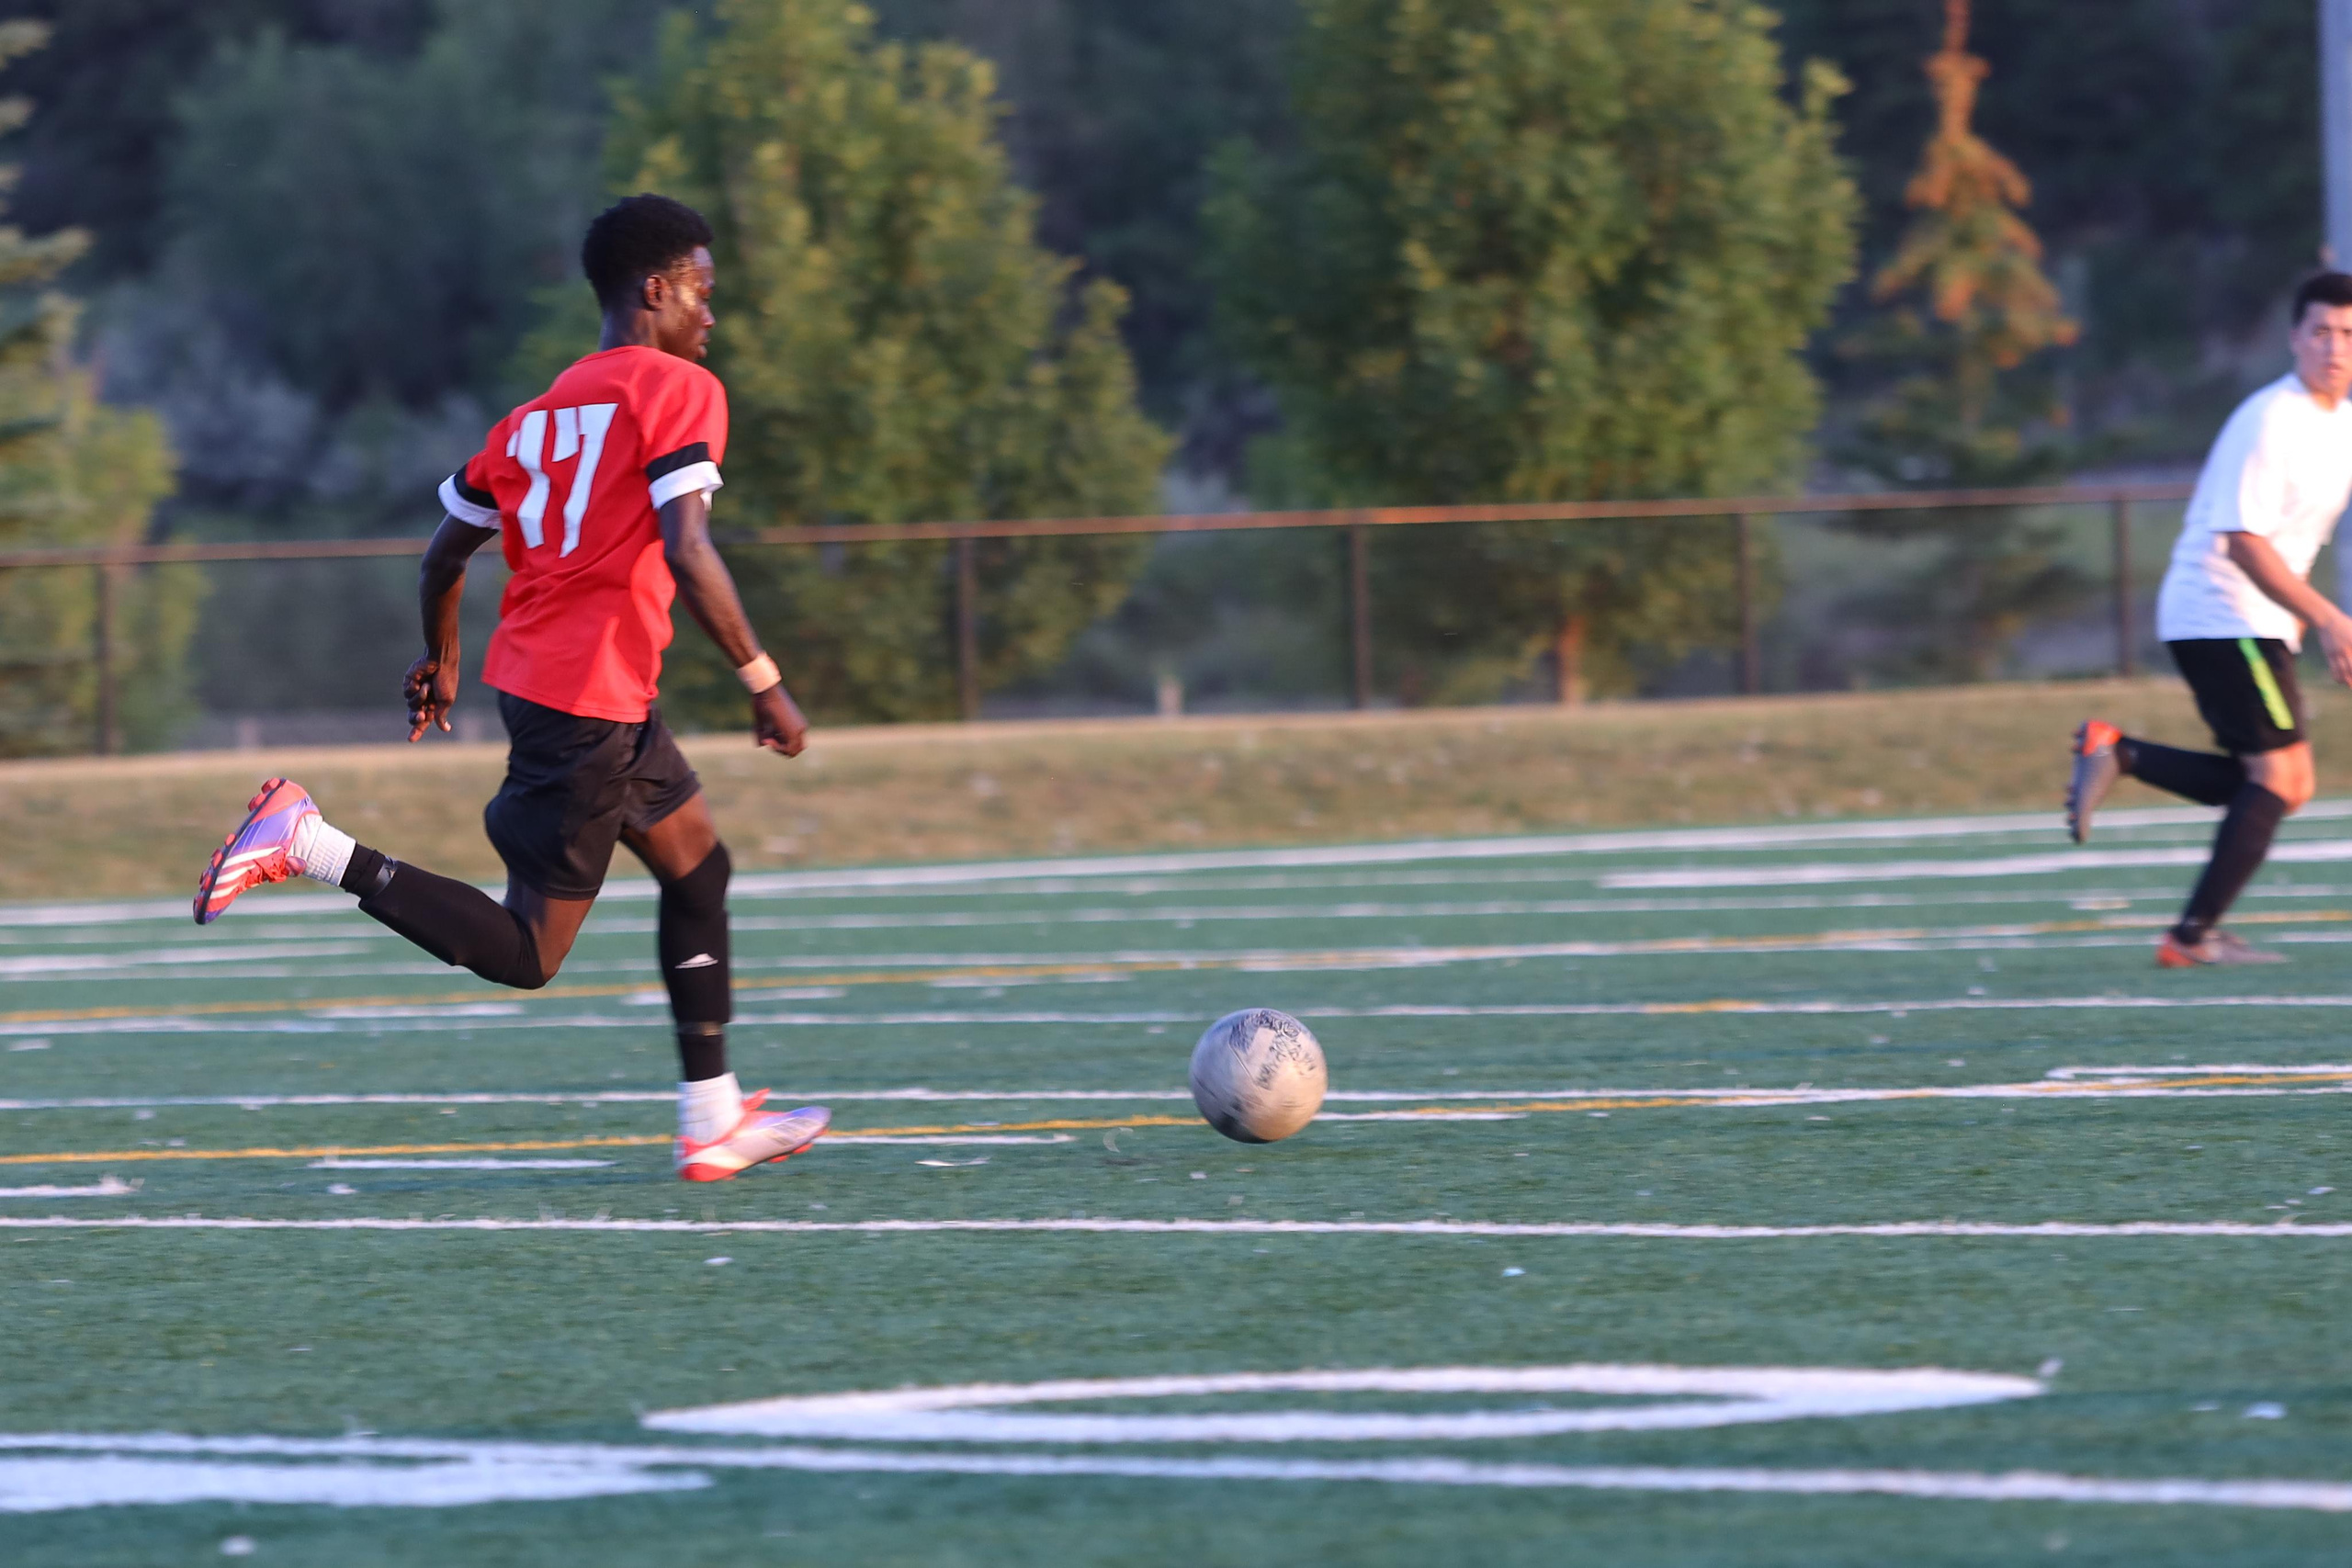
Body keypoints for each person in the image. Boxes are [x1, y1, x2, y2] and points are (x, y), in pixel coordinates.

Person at [192, 194, 830, 1179]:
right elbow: (688, 546)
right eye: (701, 291)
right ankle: (309, 842)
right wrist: (763, 679)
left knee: (698, 868)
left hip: (580, 693)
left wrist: (442, 659)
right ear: (654, 289)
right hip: (586, 704)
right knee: (529, 951)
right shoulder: (679, 389)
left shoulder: (533, 418)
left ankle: (711, 1117)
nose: (711, 313)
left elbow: (442, 556)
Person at [2067, 270, 2352, 965]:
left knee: (2283, 783)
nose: (2334, 347)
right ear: (2294, 338)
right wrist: (2327, 617)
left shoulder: (2340, 422)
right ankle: (2190, 937)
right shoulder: (2272, 420)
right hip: (2223, 609)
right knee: (2278, 779)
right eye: (2320, 331)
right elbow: (2243, 543)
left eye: (2347, 334)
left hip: (2251, 619)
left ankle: (2119, 752)